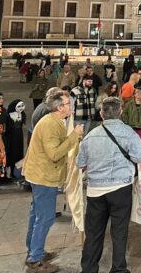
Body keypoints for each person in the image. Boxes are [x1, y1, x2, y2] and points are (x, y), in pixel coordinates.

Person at [78, 97, 141, 273]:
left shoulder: (90, 136)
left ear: (101, 114)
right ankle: (118, 269)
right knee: (119, 231)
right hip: (120, 189)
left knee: (93, 233)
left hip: (95, 190)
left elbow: (80, 162)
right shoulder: (129, 133)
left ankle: (89, 268)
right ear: (120, 112)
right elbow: (138, 157)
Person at [23, 92, 84, 272]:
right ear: (59, 107)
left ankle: (35, 250)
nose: (70, 105)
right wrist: (74, 136)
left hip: (40, 175)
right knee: (45, 217)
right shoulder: (50, 124)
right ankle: (35, 258)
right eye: (67, 103)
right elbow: (55, 154)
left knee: (36, 215)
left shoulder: (55, 121)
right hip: (44, 177)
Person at [4, 99, 27, 180]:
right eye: (19, 106)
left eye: (22, 106)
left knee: (18, 154)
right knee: (10, 153)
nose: (21, 108)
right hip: (10, 138)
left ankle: (15, 172)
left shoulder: (22, 115)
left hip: (19, 138)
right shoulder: (8, 116)